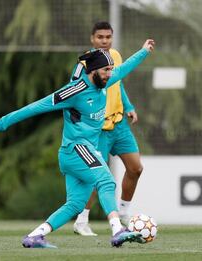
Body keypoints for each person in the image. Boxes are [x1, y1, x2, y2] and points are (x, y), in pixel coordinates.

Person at [0, 39, 155, 248]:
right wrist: (2, 122)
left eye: (111, 69)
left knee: (75, 204)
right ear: (93, 71)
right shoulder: (73, 91)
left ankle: (35, 236)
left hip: (79, 152)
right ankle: (118, 230)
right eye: (106, 70)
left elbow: (125, 68)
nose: (110, 73)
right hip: (76, 149)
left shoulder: (105, 81)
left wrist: (143, 51)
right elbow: (37, 106)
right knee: (107, 181)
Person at [71, 21, 145, 236]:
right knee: (97, 177)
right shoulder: (85, 63)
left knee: (135, 168)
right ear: (92, 39)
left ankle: (123, 211)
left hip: (119, 124)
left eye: (108, 37)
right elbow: (74, 90)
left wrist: (129, 107)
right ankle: (81, 220)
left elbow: (117, 84)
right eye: (100, 37)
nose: (104, 41)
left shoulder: (116, 56)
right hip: (97, 129)